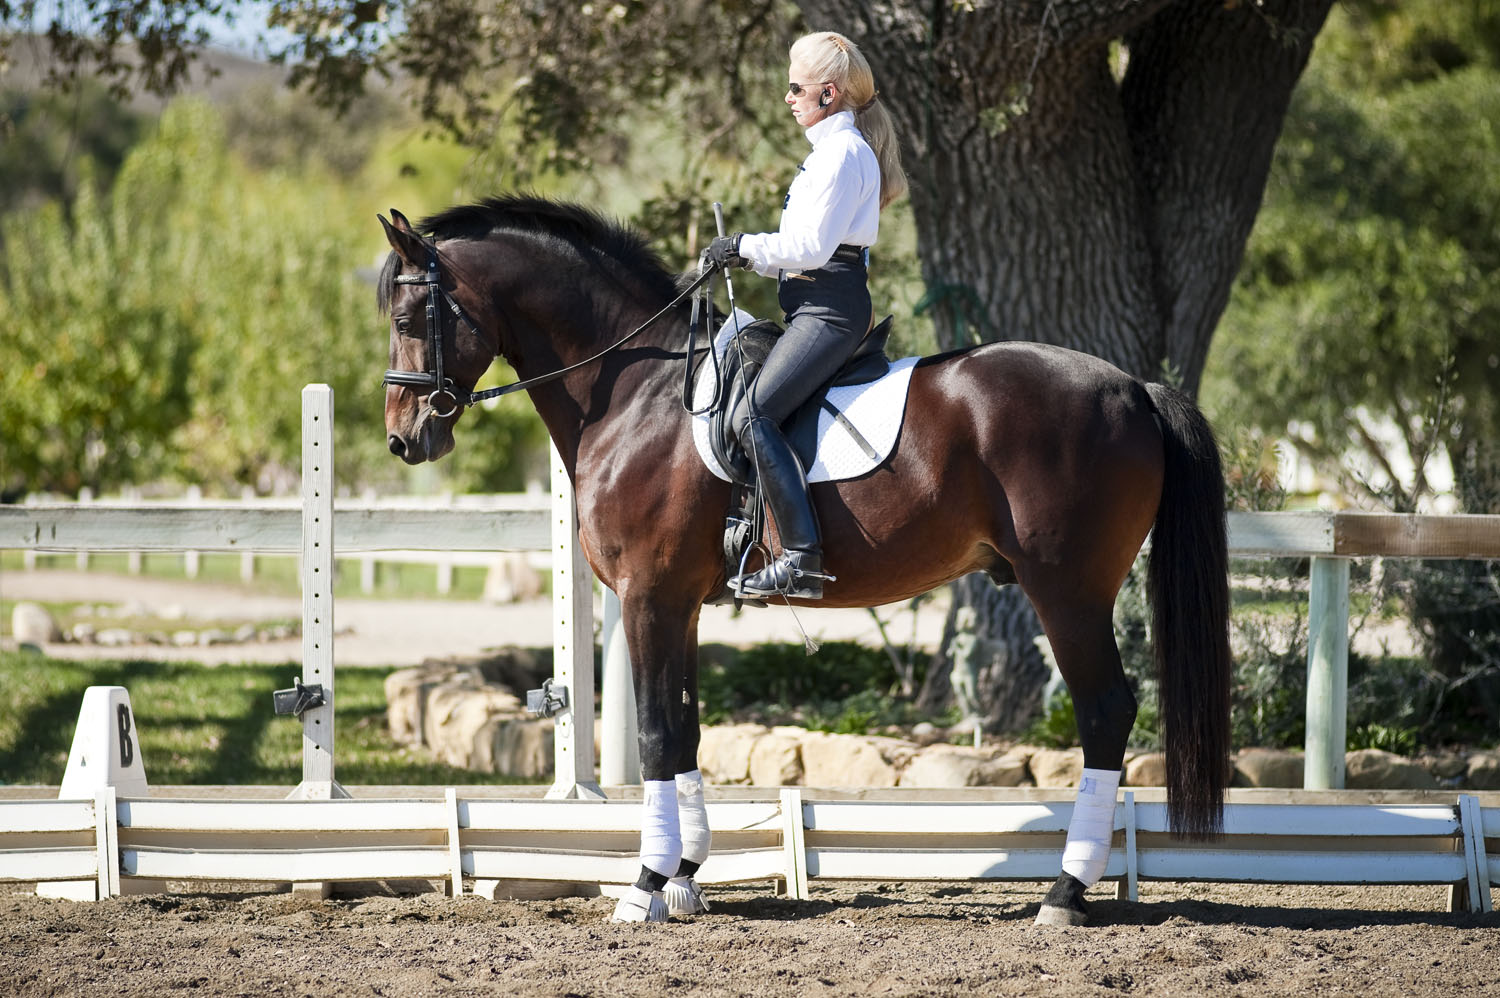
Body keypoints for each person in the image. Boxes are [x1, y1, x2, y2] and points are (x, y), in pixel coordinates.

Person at [707, 30, 907, 600]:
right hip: (815, 304)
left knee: (752, 417)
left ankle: (801, 558)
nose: (788, 97)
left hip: (829, 311)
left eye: (796, 88)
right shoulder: (830, 154)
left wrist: (744, 245)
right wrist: (747, 257)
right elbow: (802, 247)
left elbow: (813, 248)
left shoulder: (842, 154)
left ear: (828, 92)